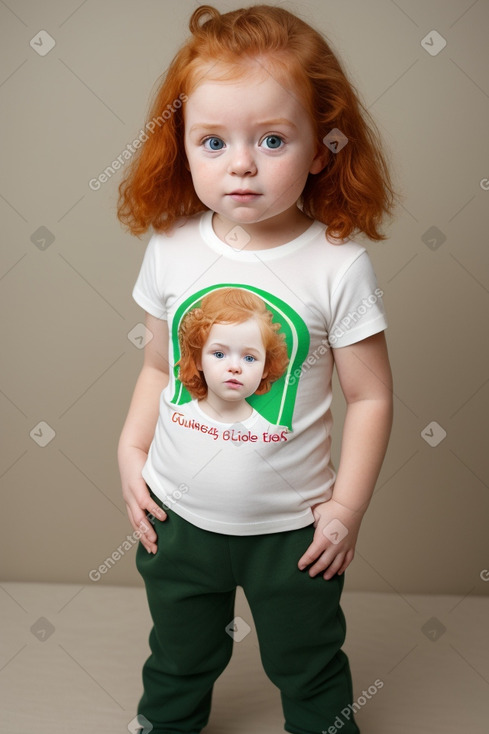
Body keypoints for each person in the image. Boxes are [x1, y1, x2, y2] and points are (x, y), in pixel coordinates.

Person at [117, 4, 395, 733]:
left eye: (271, 139)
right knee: (176, 656)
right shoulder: (171, 247)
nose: (240, 163)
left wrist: (345, 510)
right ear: (181, 145)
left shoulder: (337, 265)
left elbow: (368, 398)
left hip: (293, 533)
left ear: (320, 146)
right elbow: (156, 368)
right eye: (213, 141)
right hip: (178, 517)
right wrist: (130, 451)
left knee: (308, 662)